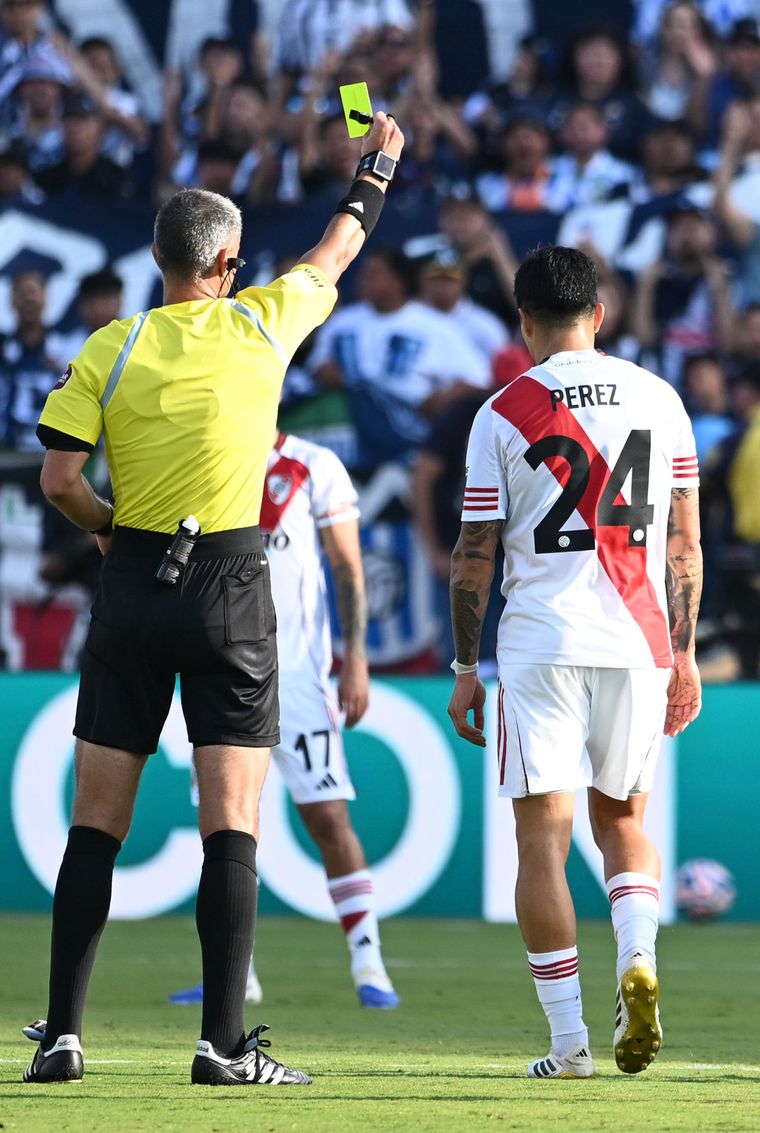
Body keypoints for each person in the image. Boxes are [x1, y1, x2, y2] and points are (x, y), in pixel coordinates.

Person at [23, 109, 404, 1086]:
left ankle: (62, 1032)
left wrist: (109, 525)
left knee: (93, 821)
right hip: (231, 583)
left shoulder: (111, 343)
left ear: (159, 258)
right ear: (228, 260)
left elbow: (58, 481)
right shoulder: (260, 319)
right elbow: (339, 243)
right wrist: (376, 165)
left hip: (132, 583)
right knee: (232, 818)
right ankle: (223, 1045)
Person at [447, 245, 702, 1079]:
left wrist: (462, 666)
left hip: (541, 645)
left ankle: (570, 1045)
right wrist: (687, 651)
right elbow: (685, 544)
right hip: (639, 640)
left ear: (523, 322)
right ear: (602, 312)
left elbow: (474, 553)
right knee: (624, 823)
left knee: (542, 841)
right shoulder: (661, 400)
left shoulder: (502, 412)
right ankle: (641, 959)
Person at [169, 432, 399, 1010]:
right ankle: (236, 975)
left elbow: (347, 567)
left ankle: (370, 964)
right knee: (224, 825)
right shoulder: (207, 455)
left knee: (326, 817)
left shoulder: (313, 465)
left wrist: (357, 661)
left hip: (297, 678)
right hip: (221, 672)